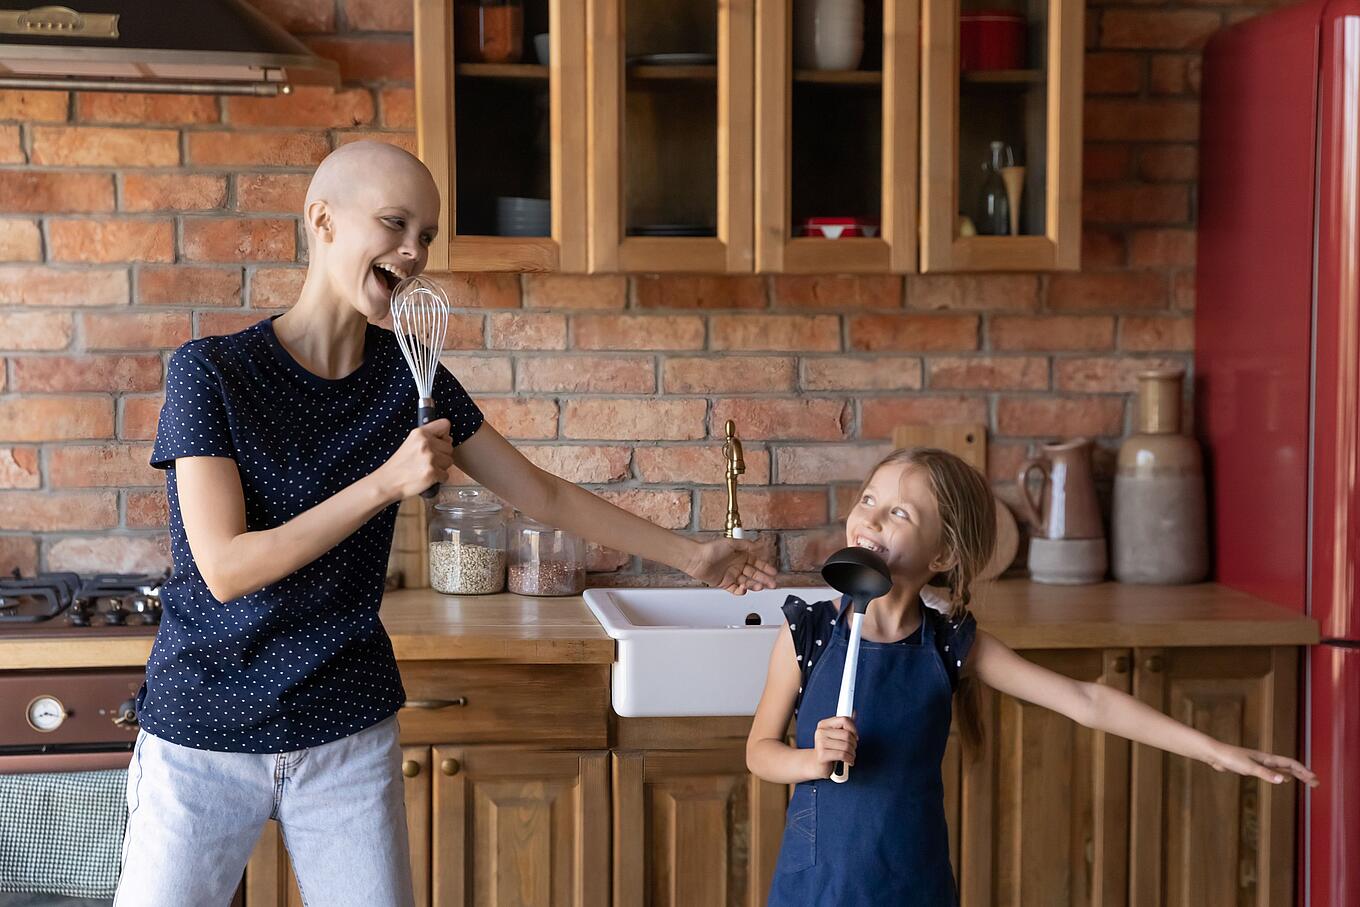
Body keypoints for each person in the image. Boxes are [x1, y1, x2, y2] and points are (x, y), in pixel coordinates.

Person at [113, 141, 776, 907]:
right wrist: (385, 483)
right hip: (205, 726)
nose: (414, 251)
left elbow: (542, 495)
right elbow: (226, 567)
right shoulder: (212, 371)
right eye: (395, 223)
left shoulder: (411, 374)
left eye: (426, 235)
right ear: (322, 220)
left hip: (345, 728)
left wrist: (692, 555)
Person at [746, 447, 1316, 905]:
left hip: (910, 880)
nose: (869, 516)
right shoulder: (809, 632)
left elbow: (1087, 701)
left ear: (941, 554)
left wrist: (1213, 749)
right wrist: (811, 761)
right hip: (814, 883)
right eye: (869, 498)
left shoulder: (951, 646)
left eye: (899, 512)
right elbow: (758, 752)